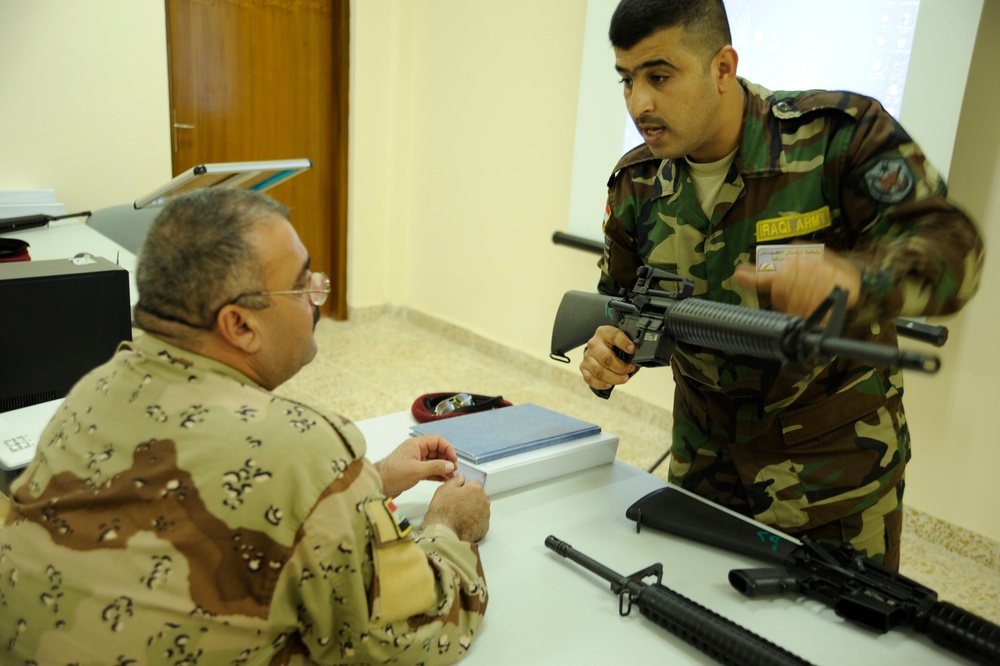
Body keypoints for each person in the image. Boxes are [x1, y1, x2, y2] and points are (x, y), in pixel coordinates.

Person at [0, 188, 490, 664]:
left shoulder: (93, 390)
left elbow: (181, 505)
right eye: (302, 285)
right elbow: (405, 635)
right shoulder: (305, 446)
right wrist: (448, 526)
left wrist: (366, 483)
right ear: (239, 326)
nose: (318, 298)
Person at [580, 0, 984, 569]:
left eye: (660, 76)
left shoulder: (837, 140)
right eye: (627, 80)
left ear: (723, 68)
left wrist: (856, 277)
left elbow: (955, 249)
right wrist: (608, 351)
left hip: (833, 476)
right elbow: (620, 306)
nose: (639, 102)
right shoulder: (637, 182)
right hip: (705, 466)